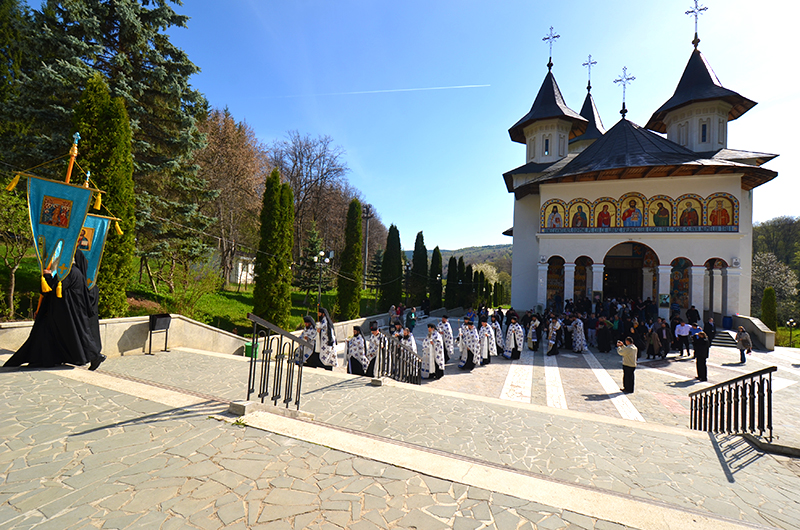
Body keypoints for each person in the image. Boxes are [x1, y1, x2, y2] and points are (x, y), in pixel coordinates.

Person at [5, 250, 104, 370]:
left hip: (69, 315)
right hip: (65, 313)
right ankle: (48, 358)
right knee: (60, 335)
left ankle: (94, 356)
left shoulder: (69, 272)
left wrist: (47, 275)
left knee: (78, 337)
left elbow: (53, 288)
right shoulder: (74, 272)